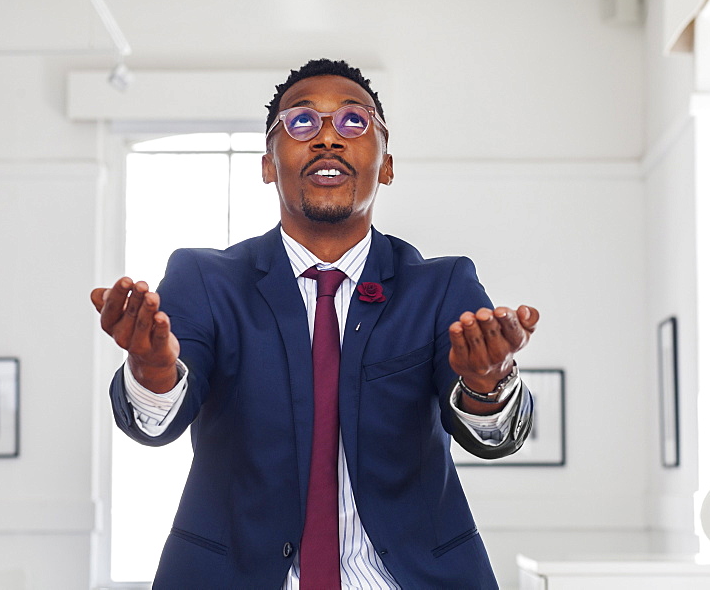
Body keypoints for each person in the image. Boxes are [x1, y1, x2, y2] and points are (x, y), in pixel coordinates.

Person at [91, 59, 540, 589]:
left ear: (387, 164)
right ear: (267, 163)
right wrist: (151, 370)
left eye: (355, 121)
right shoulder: (205, 280)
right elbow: (154, 425)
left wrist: (488, 383)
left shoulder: (440, 288)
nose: (328, 136)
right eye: (301, 122)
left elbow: (496, 439)